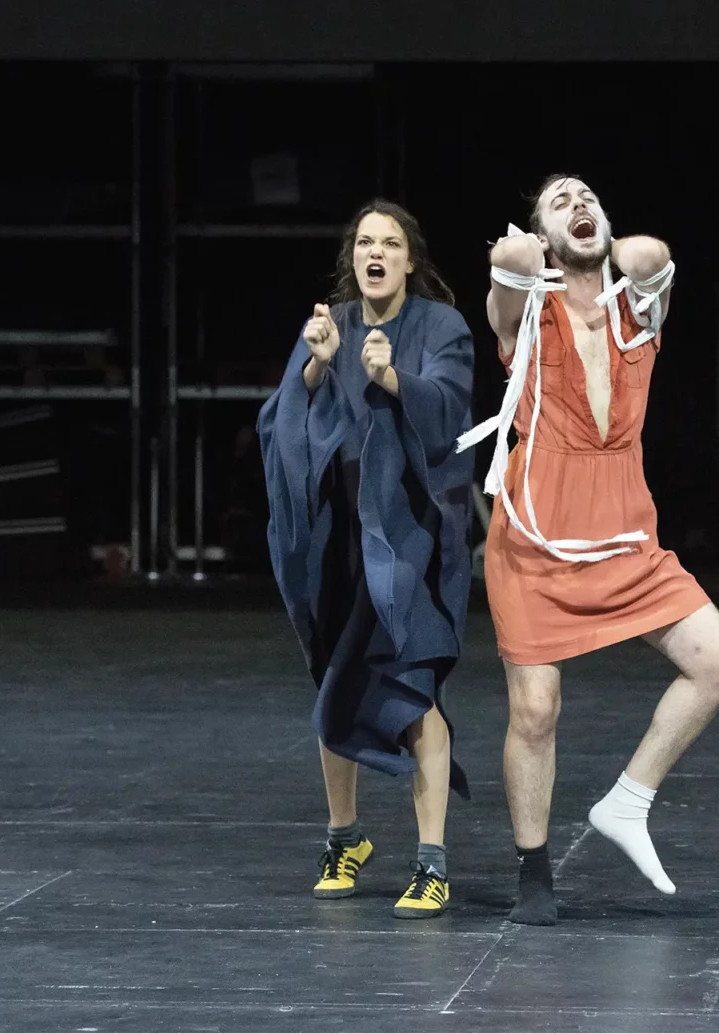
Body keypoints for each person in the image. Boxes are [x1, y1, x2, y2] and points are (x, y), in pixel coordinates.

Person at [456, 175, 719, 926]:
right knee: (536, 709)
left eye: (588, 196)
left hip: (621, 525)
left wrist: (586, 235)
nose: (578, 204)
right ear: (544, 237)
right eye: (560, 200)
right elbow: (508, 273)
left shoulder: (638, 308)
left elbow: (651, 255)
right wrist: (530, 249)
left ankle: (627, 801)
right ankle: (533, 875)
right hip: (535, 529)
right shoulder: (523, 309)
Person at [259, 199, 476, 919]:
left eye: (389, 243)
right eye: (363, 242)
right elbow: (280, 422)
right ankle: (344, 837)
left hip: (410, 540)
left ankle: (432, 860)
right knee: (337, 685)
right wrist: (317, 371)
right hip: (339, 543)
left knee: (414, 686)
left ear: (410, 259)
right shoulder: (332, 324)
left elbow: (451, 412)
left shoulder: (440, 326)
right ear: (352, 257)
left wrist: (391, 381)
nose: (374, 252)